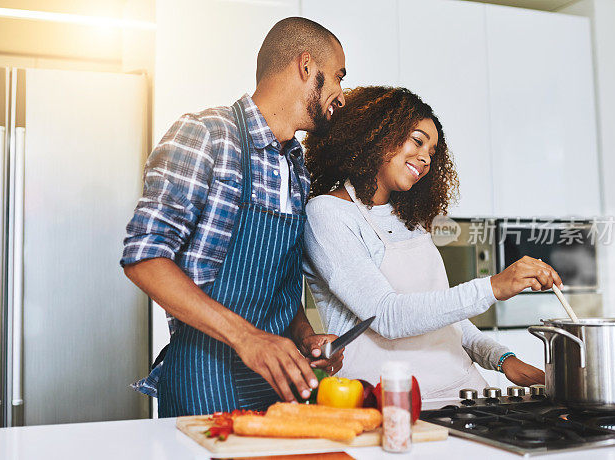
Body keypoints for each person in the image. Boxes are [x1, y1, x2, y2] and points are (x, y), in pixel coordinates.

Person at [122, 17, 347, 416]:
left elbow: (276, 283)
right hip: (202, 383)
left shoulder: (297, 169)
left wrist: (305, 337)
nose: (341, 95)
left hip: (278, 386)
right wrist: (248, 339)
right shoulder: (206, 134)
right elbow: (145, 258)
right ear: (306, 66)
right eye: (337, 78)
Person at [302, 86, 555, 399]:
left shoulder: (409, 219)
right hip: (386, 397)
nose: (424, 159)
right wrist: (493, 287)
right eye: (417, 141)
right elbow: (387, 316)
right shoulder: (327, 213)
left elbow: (444, 318)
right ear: (377, 133)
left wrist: (502, 359)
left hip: (463, 391)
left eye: (432, 154)